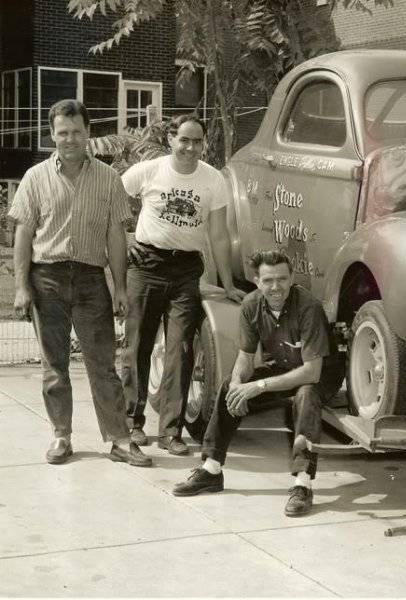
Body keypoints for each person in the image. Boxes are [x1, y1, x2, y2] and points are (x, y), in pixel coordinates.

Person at [9, 99, 151, 467]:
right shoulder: (34, 177)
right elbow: (23, 235)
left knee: (103, 364)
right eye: (62, 132)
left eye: (76, 131)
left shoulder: (108, 179)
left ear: (88, 132)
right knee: (54, 365)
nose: (69, 139)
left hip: (90, 280)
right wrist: (22, 286)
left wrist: (119, 288)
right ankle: (61, 436)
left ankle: (120, 439)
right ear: (52, 135)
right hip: (47, 280)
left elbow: (116, 237)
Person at [171, 250, 344, 516]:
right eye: (268, 280)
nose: (276, 287)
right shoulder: (251, 305)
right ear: (256, 281)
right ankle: (211, 469)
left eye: (282, 279)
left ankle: (303, 484)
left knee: (306, 395)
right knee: (230, 385)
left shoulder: (309, 307)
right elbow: (245, 357)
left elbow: (312, 372)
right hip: (284, 368)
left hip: (319, 375)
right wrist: (240, 385)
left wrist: (258, 387)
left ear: (292, 278)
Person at [120, 114, 244, 455]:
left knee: (180, 350)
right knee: (137, 347)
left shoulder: (213, 179)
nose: (190, 147)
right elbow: (113, 199)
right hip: (146, 266)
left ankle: (171, 432)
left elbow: (219, 235)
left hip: (186, 271)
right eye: (184, 140)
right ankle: (132, 424)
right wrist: (125, 236)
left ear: (204, 144)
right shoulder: (149, 171)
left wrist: (229, 283)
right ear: (171, 139)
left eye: (197, 141)